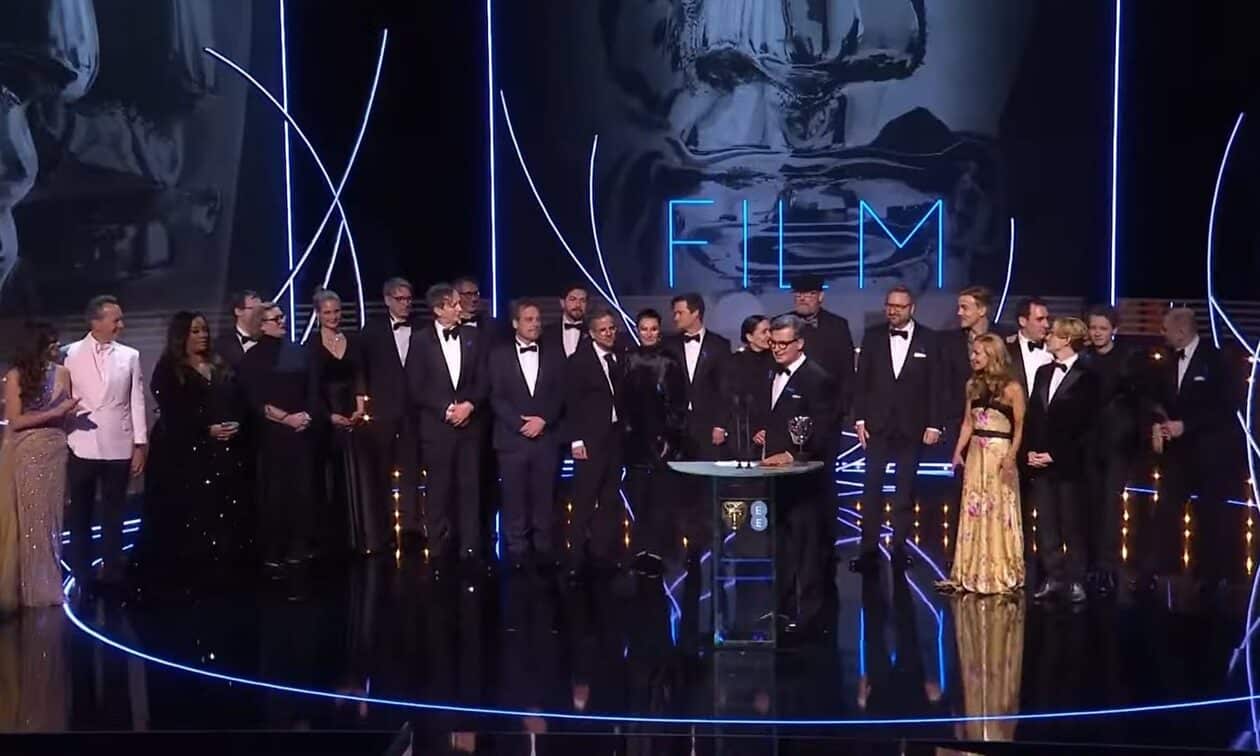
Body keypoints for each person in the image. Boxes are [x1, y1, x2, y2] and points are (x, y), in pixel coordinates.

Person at [139, 311, 251, 588]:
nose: (203, 335)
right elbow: (172, 411)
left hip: (222, 451)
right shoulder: (169, 370)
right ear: (182, 336)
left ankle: (224, 569)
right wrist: (205, 429)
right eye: (195, 331)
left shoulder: (219, 364)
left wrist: (236, 423)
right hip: (183, 454)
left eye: (204, 330)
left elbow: (239, 400)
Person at [753, 314, 839, 635]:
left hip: (806, 480)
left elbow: (825, 429)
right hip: (776, 479)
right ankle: (781, 611)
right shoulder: (769, 373)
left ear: (800, 343)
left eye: (783, 343)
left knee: (808, 551)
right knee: (781, 548)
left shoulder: (819, 379)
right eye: (773, 343)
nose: (777, 349)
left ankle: (811, 619)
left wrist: (792, 455)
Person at [1140, 307, 1236, 591]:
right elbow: (1156, 399)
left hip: (1209, 453)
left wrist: (1187, 425)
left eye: (1165, 328)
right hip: (1177, 455)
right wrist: (1157, 424)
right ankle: (1153, 572)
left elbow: (1226, 406)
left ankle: (1209, 577)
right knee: (1165, 510)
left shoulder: (1215, 360)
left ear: (1181, 331)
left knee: (1209, 515)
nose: (1161, 333)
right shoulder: (1166, 360)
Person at [851, 285, 943, 573]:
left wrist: (934, 423)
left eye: (899, 306)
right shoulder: (873, 336)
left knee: (905, 490)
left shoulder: (930, 339)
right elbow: (862, 380)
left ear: (911, 308)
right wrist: (860, 419)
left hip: (912, 425)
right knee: (871, 489)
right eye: (889, 305)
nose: (893, 311)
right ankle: (868, 550)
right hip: (877, 425)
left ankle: (900, 549)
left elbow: (936, 385)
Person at [63, 295, 148, 587]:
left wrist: (140, 445)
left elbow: (136, 401)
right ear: (95, 322)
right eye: (116, 320)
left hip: (118, 443)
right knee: (80, 514)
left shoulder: (130, 356)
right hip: (81, 442)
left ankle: (112, 572)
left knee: (114, 513)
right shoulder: (69, 354)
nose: (121, 325)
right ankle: (82, 574)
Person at [936, 333, 1025, 594]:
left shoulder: (1012, 388)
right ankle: (972, 569)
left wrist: (1011, 456)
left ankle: (999, 570)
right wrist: (957, 452)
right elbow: (968, 423)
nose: (972, 357)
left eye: (978, 353)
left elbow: (1019, 426)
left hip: (999, 453)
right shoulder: (972, 385)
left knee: (998, 508)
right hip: (976, 453)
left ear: (992, 355)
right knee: (974, 507)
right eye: (972, 352)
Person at [237, 303, 322, 574]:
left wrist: (307, 415)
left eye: (282, 316)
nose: (282, 321)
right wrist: (287, 419)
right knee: (274, 493)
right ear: (261, 325)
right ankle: (275, 549)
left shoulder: (299, 352)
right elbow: (254, 400)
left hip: (301, 433)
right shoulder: (251, 359)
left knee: (302, 491)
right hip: (272, 436)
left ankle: (300, 546)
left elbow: (313, 389)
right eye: (276, 318)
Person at [408, 283, 490, 567]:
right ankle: (438, 546)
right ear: (438, 309)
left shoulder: (473, 336)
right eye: (453, 304)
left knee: (470, 487)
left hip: (470, 426)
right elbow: (416, 385)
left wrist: (470, 405)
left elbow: (484, 379)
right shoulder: (420, 341)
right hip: (437, 427)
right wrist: (445, 409)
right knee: (438, 488)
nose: (459, 307)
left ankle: (470, 547)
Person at [0, 322, 77, 611]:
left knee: (51, 520)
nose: (57, 346)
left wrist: (66, 417)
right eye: (51, 342)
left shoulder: (63, 373)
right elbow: (15, 420)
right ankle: (33, 590)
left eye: (57, 341)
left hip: (55, 451)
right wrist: (56, 411)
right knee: (32, 521)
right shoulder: (16, 376)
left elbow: (66, 417)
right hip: (28, 452)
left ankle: (47, 584)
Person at [1024, 317, 1099, 604]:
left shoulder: (1088, 376)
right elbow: (1034, 416)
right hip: (1040, 463)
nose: (1048, 337)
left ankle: (1076, 580)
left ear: (1067, 339)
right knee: (1046, 524)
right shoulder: (1043, 372)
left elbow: (1088, 426)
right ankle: (1054, 576)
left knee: (1072, 524)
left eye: (1053, 334)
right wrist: (1031, 451)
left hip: (1070, 465)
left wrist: (1055, 454)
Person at [488, 299, 566, 569]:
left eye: (537, 319)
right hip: (511, 439)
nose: (535, 324)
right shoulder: (498, 355)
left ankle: (543, 546)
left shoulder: (554, 353)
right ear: (515, 323)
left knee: (545, 495)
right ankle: (516, 549)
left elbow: (561, 393)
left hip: (546, 437)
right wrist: (519, 424)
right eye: (529, 319)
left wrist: (543, 420)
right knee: (514, 496)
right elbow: (495, 396)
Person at [621, 308, 688, 577]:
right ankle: (639, 552)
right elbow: (622, 400)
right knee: (638, 499)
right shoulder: (628, 359)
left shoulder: (670, 361)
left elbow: (678, 403)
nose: (648, 334)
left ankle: (658, 554)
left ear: (659, 331)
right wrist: (627, 431)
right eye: (644, 329)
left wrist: (668, 437)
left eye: (653, 329)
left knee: (660, 502)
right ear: (638, 331)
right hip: (634, 440)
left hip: (663, 440)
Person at [307, 290, 374, 555]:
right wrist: (329, 416)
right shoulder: (311, 346)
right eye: (327, 312)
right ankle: (333, 542)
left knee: (358, 476)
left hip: (353, 417)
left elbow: (360, 377)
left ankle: (360, 538)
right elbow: (312, 388)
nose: (333, 317)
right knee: (330, 479)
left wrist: (360, 408)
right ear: (317, 314)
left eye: (336, 311)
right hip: (326, 419)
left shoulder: (354, 341)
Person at [1080, 304, 1140, 596]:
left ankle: (1108, 566)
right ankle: (1091, 564)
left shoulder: (1127, 359)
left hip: (1117, 444)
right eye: (1093, 328)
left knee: (1109, 505)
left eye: (1103, 328)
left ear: (1114, 329)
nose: (1097, 333)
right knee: (1090, 504)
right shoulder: (1083, 359)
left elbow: (1136, 401)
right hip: (1088, 444)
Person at [359, 277, 422, 550]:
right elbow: (361, 369)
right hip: (382, 413)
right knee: (381, 472)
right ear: (387, 300)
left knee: (412, 470)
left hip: (414, 412)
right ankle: (382, 528)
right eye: (400, 299)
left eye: (408, 298)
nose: (406, 304)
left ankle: (411, 527)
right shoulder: (371, 330)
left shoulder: (422, 327)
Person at [564, 309, 626, 579]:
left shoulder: (621, 355)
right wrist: (576, 440)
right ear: (591, 333)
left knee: (611, 498)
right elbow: (571, 402)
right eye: (603, 330)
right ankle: (576, 557)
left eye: (612, 328)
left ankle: (603, 553)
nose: (609, 333)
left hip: (615, 437)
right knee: (585, 499)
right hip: (589, 441)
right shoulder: (578, 362)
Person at [662, 292, 731, 461]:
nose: (675, 318)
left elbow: (725, 388)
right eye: (674, 313)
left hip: (708, 423)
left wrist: (720, 425)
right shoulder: (668, 345)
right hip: (677, 425)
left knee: (708, 470)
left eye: (680, 313)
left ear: (695, 313)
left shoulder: (719, 345)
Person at [786, 274, 854, 413]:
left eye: (809, 294)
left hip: (828, 407)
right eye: (798, 294)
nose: (802, 299)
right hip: (789, 404)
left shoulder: (838, 325)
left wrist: (843, 408)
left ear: (820, 297)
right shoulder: (782, 323)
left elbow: (847, 369)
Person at [722, 315, 773, 458]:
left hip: (772, 431)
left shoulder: (777, 360)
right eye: (764, 332)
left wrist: (767, 429)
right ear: (749, 337)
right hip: (743, 434)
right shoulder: (735, 362)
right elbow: (732, 401)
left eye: (770, 331)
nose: (769, 336)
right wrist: (754, 431)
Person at [1005, 297, 1052, 396]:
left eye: (1047, 319)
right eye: (1040, 319)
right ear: (1022, 321)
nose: (1047, 325)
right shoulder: (1006, 349)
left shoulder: (1056, 349)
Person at [213, 289, 263, 368]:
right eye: (254, 309)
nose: (259, 313)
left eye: (261, 309)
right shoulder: (220, 345)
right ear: (238, 311)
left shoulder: (270, 341)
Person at [542, 283, 589, 358]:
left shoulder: (593, 333)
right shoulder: (546, 333)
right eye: (573, 299)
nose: (578, 305)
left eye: (582, 300)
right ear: (562, 302)